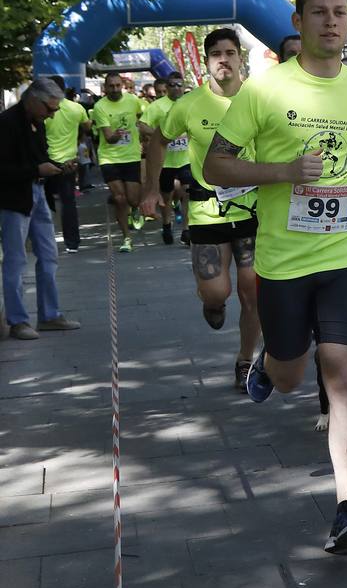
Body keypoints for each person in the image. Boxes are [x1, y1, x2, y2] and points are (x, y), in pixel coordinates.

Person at [204, 0, 347, 554]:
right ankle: (272, 362)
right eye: (319, 13)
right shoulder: (263, 91)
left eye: (340, 12)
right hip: (284, 261)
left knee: (342, 376)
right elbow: (217, 167)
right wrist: (284, 172)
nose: (332, 22)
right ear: (298, 21)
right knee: (291, 378)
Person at [142, 28, 262, 391]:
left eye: (230, 52)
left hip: (253, 210)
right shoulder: (189, 104)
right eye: (216, 54)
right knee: (217, 291)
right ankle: (212, 303)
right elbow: (158, 142)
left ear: (241, 58)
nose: (224, 59)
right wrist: (150, 189)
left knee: (252, 290)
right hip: (207, 212)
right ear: (207, 62)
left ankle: (246, 361)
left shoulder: (260, 100)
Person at [0, 79, 82, 340]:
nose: (53, 114)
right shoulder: (6, 123)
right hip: (13, 200)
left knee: (49, 254)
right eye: (49, 108)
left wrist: (58, 167)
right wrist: (37, 170)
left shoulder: (39, 122)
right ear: (33, 100)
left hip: (37, 194)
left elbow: (40, 159)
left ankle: (49, 314)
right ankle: (18, 321)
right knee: (16, 260)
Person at [91, 71, 145, 252]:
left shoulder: (132, 101)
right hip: (109, 158)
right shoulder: (100, 107)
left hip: (131, 156)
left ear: (121, 85)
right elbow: (108, 138)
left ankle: (135, 209)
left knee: (133, 199)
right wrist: (115, 135)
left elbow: (140, 118)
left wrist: (144, 135)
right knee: (119, 199)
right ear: (105, 88)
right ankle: (126, 238)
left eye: (117, 85)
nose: (114, 89)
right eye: (111, 86)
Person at [139, 72, 191, 245]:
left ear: (184, 86)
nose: (176, 88)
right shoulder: (157, 106)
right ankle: (167, 225)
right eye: (172, 85)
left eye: (179, 84)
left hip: (186, 159)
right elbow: (142, 125)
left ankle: (186, 230)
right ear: (166, 88)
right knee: (167, 197)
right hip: (165, 161)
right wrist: (161, 136)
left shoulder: (191, 104)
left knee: (187, 192)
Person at [42, 75, 88, 253]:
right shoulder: (77, 108)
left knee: (41, 203)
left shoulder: (44, 110)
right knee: (68, 202)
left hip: (46, 161)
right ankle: (72, 243)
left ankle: (43, 239)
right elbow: (87, 126)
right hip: (68, 162)